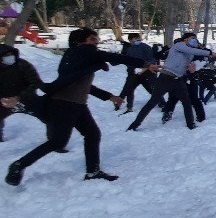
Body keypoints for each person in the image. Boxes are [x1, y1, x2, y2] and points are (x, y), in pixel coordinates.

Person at [6, 28, 149, 186]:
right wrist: (145, 63)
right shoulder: (82, 52)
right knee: (57, 142)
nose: (97, 42)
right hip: (63, 105)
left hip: (77, 105)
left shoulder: (78, 57)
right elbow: (111, 56)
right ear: (82, 41)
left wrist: (109, 96)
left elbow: (83, 84)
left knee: (93, 134)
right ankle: (19, 165)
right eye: (93, 39)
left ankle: (93, 171)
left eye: (97, 39)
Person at [128, 33, 216, 131]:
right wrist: (210, 52)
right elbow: (191, 50)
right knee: (152, 102)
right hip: (165, 78)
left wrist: (192, 67)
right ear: (185, 39)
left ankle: (191, 125)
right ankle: (134, 125)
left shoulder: (190, 53)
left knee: (187, 102)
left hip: (178, 80)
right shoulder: (179, 45)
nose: (194, 40)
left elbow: (193, 57)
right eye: (192, 38)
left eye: (195, 39)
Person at [0, 44, 43, 142]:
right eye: (6, 55)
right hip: (4, 100)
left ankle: (55, 142)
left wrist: (19, 97)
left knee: (48, 116)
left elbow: (35, 82)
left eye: (11, 54)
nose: (10, 57)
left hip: (27, 98)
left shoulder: (22, 65)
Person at [118, 33, 160, 113]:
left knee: (152, 89)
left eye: (138, 38)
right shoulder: (128, 48)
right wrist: (133, 68)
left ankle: (162, 103)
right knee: (129, 89)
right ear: (130, 40)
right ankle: (129, 106)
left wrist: (146, 67)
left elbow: (151, 58)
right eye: (134, 39)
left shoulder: (145, 47)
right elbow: (126, 60)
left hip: (148, 72)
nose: (137, 40)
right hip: (134, 73)